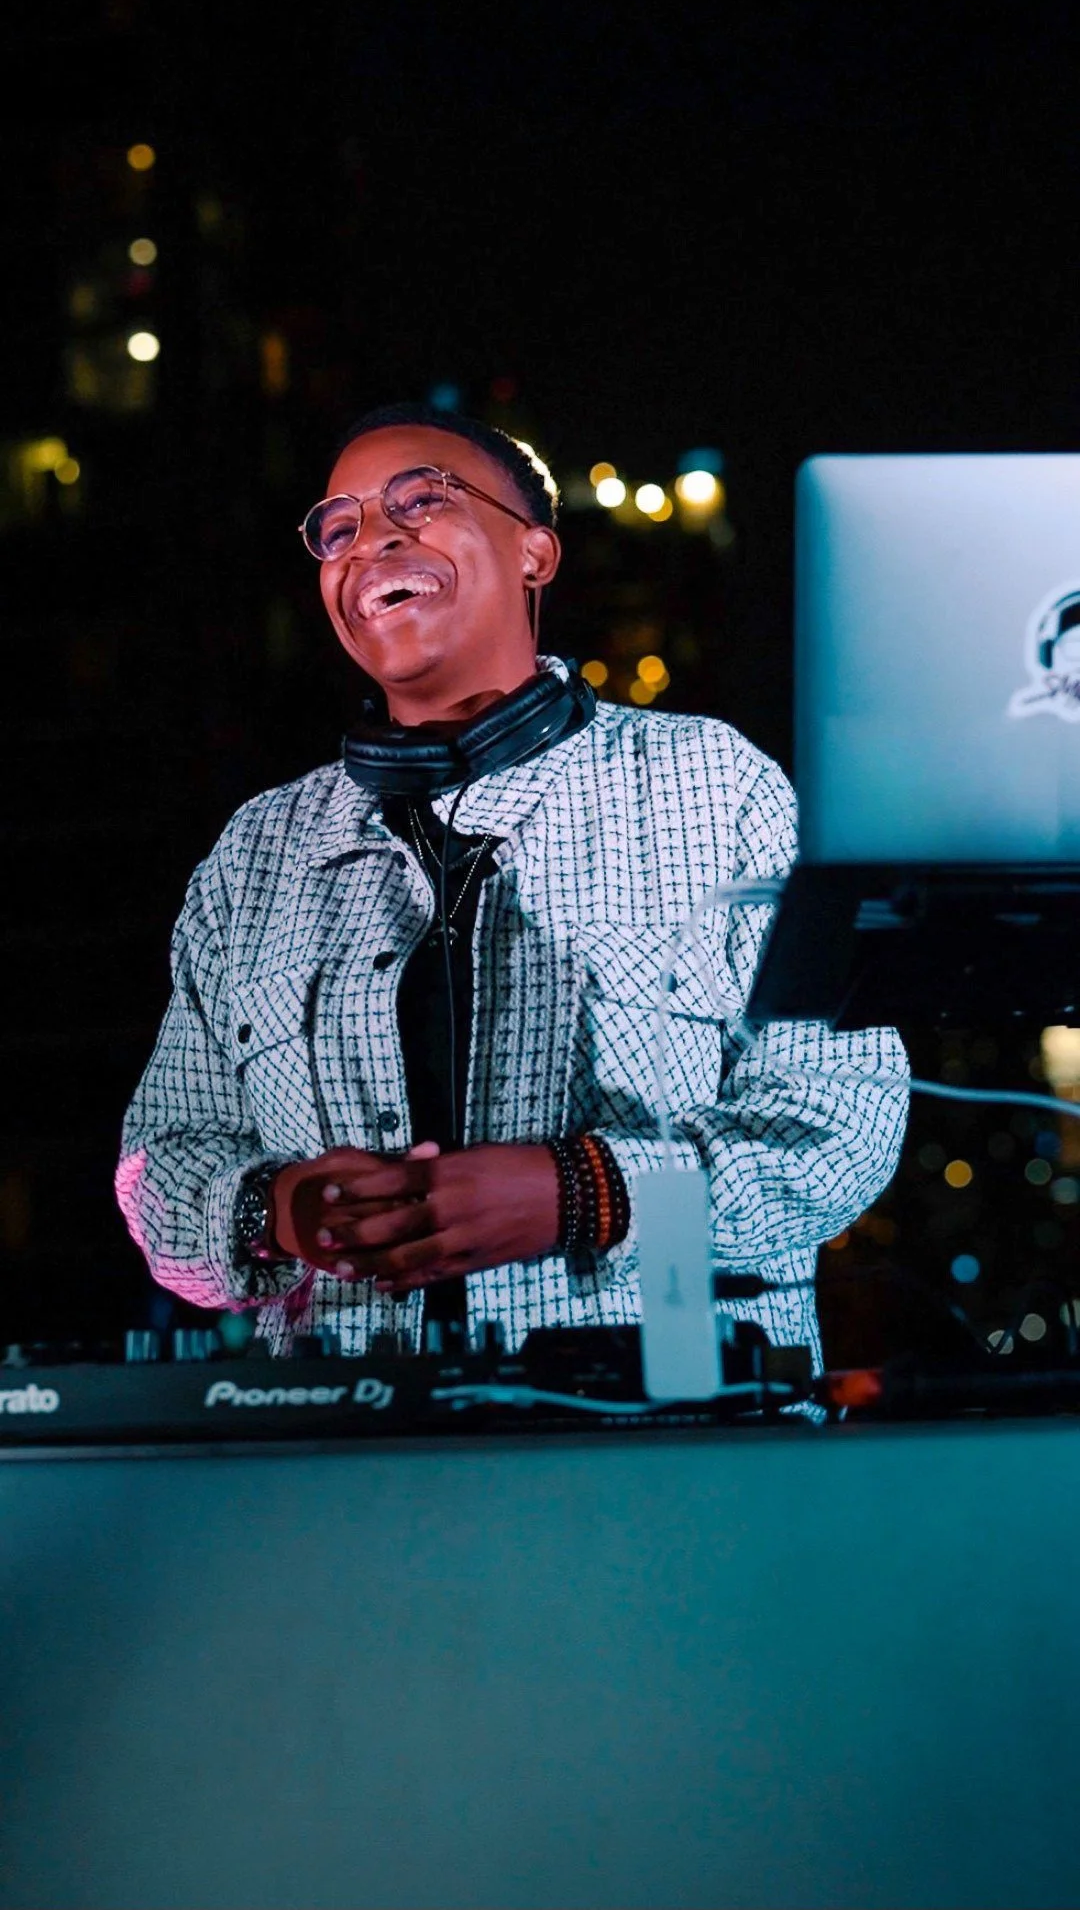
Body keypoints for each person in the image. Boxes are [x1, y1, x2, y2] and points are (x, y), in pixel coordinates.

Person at [116, 403, 909, 1366]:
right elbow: (159, 1167)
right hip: (352, 1465)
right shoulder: (258, 852)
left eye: (423, 498)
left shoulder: (714, 781)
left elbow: (843, 1120)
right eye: (340, 526)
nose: (372, 541)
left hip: (672, 1443)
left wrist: (584, 1191)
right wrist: (277, 1210)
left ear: (536, 553)